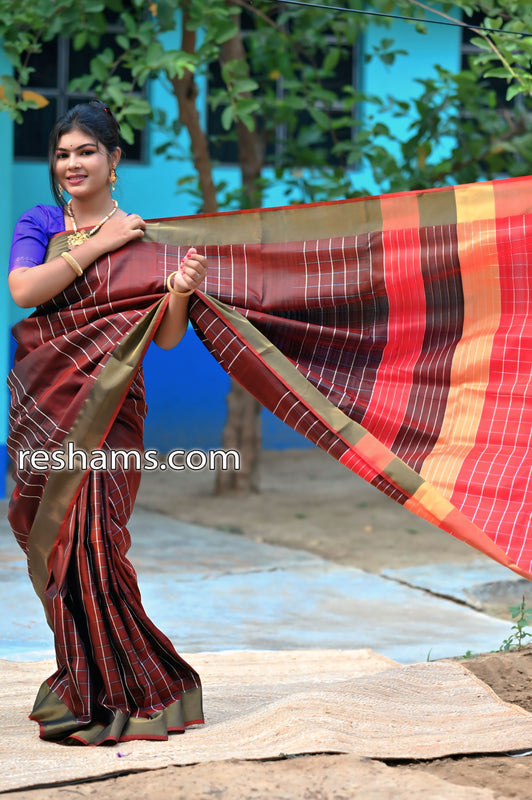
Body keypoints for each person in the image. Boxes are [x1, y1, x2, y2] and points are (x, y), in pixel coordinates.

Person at [7, 100, 208, 745]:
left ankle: (130, 693)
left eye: (86, 151)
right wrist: (100, 243)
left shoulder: (144, 238)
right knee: (60, 543)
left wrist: (179, 290)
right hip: (48, 408)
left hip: (114, 411)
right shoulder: (40, 221)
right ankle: (80, 680)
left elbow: (167, 337)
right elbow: (24, 291)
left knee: (96, 540)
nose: (72, 163)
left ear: (114, 160)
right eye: (62, 153)